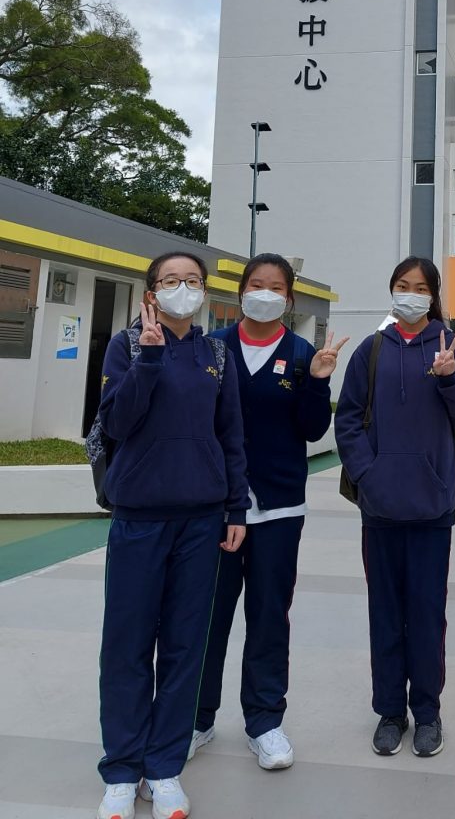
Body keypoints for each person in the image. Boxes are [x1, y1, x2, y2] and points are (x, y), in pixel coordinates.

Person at [96, 253, 249, 819]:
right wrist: (152, 360)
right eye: (170, 280)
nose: (182, 288)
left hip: (202, 518)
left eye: (192, 280)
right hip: (138, 516)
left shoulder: (216, 354)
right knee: (127, 645)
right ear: (151, 292)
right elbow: (116, 424)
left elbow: (230, 433)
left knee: (185, 646)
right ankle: (120, 768)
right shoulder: (127, 347)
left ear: (204, 291)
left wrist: (235, 505)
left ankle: (163, 768)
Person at [190, 253, 347, 771]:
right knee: (207, 615)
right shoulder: (211, 348)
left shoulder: (302, 353)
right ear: (240, 293)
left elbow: (309, 430)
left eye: (275, 287)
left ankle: (264, 720)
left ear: (289, 297)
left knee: (268, 615)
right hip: (216, 507)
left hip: (279, 506)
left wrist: (320, 380)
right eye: (255, 284)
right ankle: (196, 718)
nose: (264, 293)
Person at [334, 256, 455, 758]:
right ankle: (389, 712)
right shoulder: (372, 350)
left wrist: (447, 378)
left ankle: (428, 712)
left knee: (426, 613)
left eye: (421, 287)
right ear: (391, 290)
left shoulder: (453, 347)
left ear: (433, 295)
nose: (411, 294)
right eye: (403, 285)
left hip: (432, 508)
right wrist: (368, 475)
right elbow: (349, 420)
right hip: (379, 508)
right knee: (385, 611)